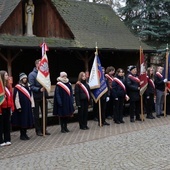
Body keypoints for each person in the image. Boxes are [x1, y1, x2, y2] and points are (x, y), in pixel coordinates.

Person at [28, 59, 50, 136]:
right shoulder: (32, 74)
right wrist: (39, 89)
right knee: (36, 115)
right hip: (36, 97)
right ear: (37, 65)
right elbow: (31, 86)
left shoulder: (44, 74)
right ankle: (38, 130)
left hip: (44, 96)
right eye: (40, 64)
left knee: (45, 114)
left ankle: (44, 128)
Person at [11, 73, 34, 140]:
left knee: (27, 120)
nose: (25, 79)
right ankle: (22, 134)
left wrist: (32, 105)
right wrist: (18, 107)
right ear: (21, 79)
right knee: (22, 121)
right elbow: (16, 98)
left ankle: (25, 133)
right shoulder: (18, 87)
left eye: (26, 78)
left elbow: (31, 96)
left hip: (28, 106)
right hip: (22, 107)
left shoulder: (28, 86)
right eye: (23, 78)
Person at [0, 70, 14, 147]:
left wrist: (11, 107)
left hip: (8, 108)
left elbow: (10, 97)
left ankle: (7, 139)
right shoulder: (0, 87)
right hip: (2, 108)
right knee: (1, 125)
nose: (7, 77)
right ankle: (1, 140)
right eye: (6, 75)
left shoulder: (8, 86)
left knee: (7, 124)